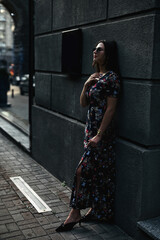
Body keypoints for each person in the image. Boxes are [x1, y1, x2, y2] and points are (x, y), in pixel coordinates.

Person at [56, 40, 121, 232]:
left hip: (102, 134)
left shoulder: (112, 78)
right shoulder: (96, 76)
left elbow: (111, 108)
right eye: (94, 48)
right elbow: (84, 103)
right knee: (98, 172)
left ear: (107, 53)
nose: (94, 51)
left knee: (81, 171)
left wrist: (100, 135)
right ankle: (99, 210)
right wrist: (86, 85)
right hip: (90, 131)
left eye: (99, 49)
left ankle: (75, 212)